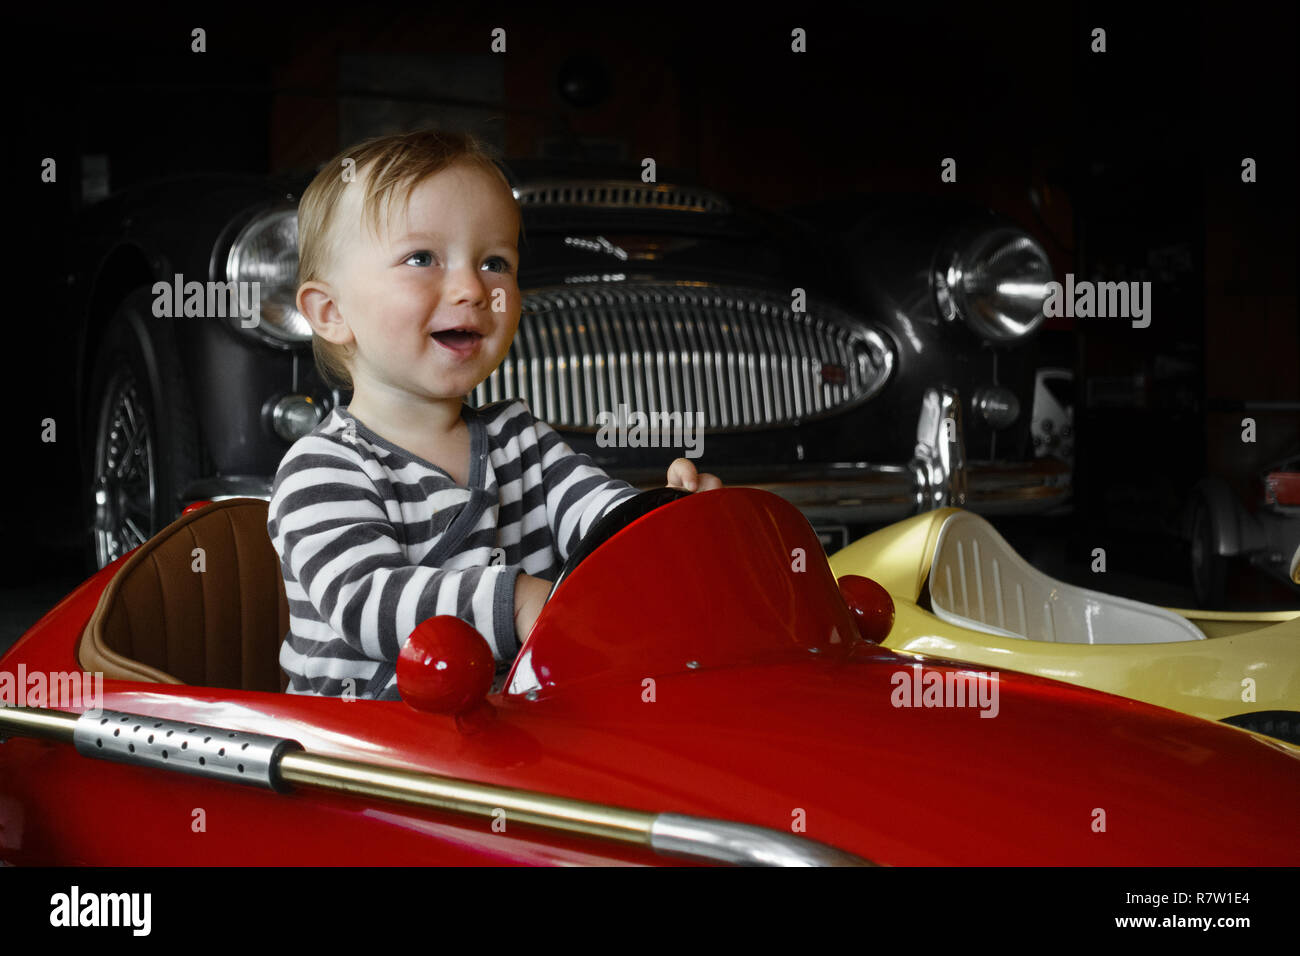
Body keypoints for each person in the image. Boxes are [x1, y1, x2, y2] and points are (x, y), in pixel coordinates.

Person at [269, 128, 721, 699]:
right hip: (359, 756)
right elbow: (365, 601)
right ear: (331, 312)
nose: (471, 288)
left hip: (511, 742)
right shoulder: (323, 468)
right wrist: (520, 602)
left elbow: (600, 521)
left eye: (494, 262)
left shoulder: (521, 441)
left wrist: (666, 524)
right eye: (422, 258)